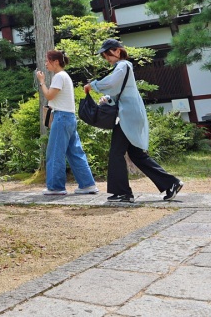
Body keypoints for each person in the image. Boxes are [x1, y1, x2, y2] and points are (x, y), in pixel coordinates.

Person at [84, 39, 183, 203]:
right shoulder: (122, 67)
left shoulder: (122, 65)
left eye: (107, 54)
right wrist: (108, 98)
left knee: (116, 152)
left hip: (128, 116)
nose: (106, 58)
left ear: (117, 51)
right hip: (130, 114)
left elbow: (111, 83)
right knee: (136, 155)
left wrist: (92, 85)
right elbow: (119, 91)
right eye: (104, 56)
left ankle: (123, 192)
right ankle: (171, 183)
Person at [36, 50, 98, 196]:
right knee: (75, 152)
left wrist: (42, 82)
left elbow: (49, 95)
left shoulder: (59, 76)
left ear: (56, 61)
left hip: (61, 118)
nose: (46, 64)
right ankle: (87, 185)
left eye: (48, 61)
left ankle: (56, 187)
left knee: (55, 152)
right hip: (69, 117)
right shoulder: (65, 77)